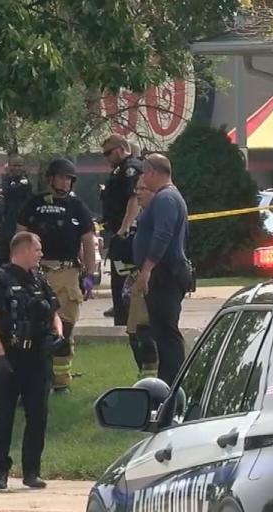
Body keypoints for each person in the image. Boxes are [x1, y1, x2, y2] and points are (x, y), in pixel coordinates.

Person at [0, 232, 62, 490]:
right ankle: (0, 471)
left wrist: (58, 334)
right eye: (37, 249)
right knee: (3, 415)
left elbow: (54, 313)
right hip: (8, 354)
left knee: (38, 414)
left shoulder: (39, 280)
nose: (40, 253)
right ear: (23, 250)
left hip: (37, 356)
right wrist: (0, 356)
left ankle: (31, 471)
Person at [16, 158, 97, 394]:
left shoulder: (77, 207)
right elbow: (20, 236)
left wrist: (90, 274)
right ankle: (37, 380)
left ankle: (62, 382)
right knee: (33, 328)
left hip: (67, 272)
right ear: (50, 178)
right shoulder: (34, 204)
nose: (65, 182)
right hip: (37, 272)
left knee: (65, 328)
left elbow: (88, 241)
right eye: (61, 177)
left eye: (69, 178)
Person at [132, 154, 191, 386]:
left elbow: (162, 235)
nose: (144, 180)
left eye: (145, 173)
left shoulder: (166, 198)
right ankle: (167, 381)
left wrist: (147, 268)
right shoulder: (166, 197)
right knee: (160, 332)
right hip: (164, 273)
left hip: (165, 274)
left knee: (167, 333)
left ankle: (173, 383)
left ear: (154, 172)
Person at [100, 135, 143, 326]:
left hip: (127, 235)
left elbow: (134, 198)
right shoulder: (119, 170)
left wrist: (124, 228)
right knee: (118, 283)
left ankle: (128, 322)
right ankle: (122, 317)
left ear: (120, 149)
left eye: (108, 153)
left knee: (124, 282)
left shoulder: (130, 168)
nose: (106, 158)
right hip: (118, 231)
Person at [125, 178, 159, 380]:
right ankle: (145, 375)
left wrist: (146, 272)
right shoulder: (142, 214)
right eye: (136, 188)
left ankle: (152, 380)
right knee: (134, 331)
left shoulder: (158, 214)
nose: (137, 193)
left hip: (152, 279)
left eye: (142, 189)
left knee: (144, 331)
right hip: (137, 276)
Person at [0, 155, 34, 267]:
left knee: (17, 265)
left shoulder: (25, 185)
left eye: (19, 165)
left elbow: (11, 192)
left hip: (18, 232)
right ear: (9, 166)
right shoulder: (5, 184)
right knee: (2, 265)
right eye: (14, 165)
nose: (17, 168)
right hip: (3, 232)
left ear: (24, 167)